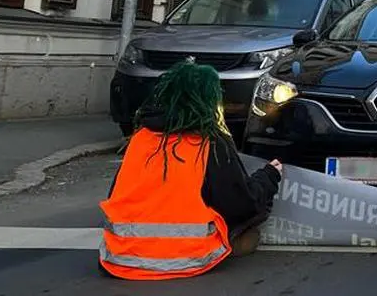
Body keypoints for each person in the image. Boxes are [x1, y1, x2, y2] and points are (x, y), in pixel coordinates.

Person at [99, 61, 283, 280]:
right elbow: (241, 203)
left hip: (121, 257)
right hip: (186, 257)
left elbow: (118, 195)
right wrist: (269, 176)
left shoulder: (140, 139)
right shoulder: (210, 142)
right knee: (250, 234)